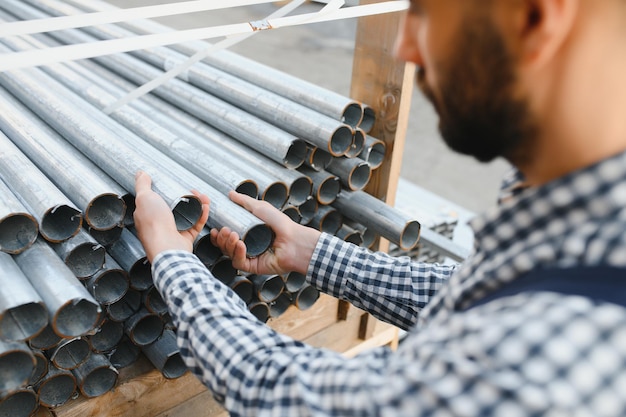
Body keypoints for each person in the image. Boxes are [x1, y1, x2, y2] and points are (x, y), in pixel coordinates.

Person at [133, 0, 626, 415]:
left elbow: (295, 395)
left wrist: (173, 261)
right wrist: (315, 253)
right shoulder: (588, 225)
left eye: (427, 13)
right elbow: (482, 296)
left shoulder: (559, 369)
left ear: (536, 18)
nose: (404, 48)